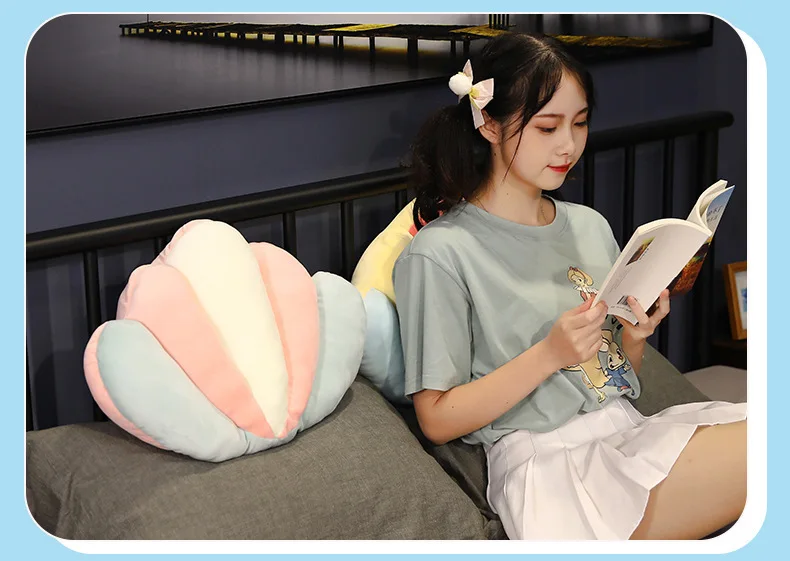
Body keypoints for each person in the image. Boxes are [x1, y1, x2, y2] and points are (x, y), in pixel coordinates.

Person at [392, 32, 747, 541]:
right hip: (551, 470)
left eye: (579, 123)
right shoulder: (440, 253)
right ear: (488, 123)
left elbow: (608, 379)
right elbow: (436, 418)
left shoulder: (589, 226)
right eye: (547, 127)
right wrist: (548, 354)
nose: (569, 145)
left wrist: (633, 338)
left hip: (626, 431)